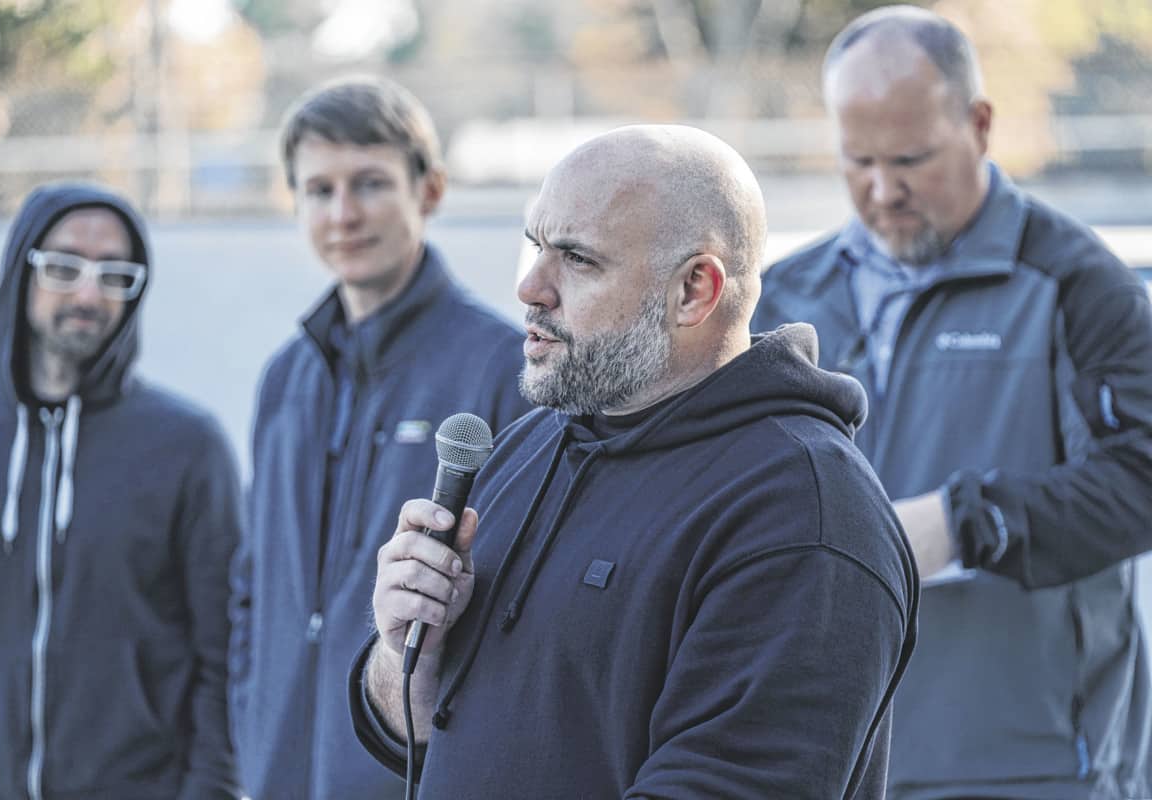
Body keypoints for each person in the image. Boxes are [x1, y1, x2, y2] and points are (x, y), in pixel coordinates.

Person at [349, 124, 919, 798]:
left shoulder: (804, 515)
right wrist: (409, 651)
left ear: (694, 290)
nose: (531, 287)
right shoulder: (530, 448)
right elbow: (420, 740)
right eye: (535, 246)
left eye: (578, 259)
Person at [751, 7, 1152, 799]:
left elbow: (1143, 478)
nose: (882, 190)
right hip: (835, 755)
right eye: (858, 160)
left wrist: (966, 522)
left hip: (1033, 764)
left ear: (980, 124)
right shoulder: (786, 296)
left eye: (910, 159)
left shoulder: (1076, 283)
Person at [228, 75, 529, 799]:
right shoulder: (284, 378)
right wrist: (250, 730)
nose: (344, 213)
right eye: (319, 190)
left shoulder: (503, 370)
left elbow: (518, 615)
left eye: (369, 183)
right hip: (277, 776)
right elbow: (253, 588)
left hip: (411, 778)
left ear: (430, 190)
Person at [0, 183, 242, 799]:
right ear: (22, 269)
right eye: (64, 267)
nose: (89, 293)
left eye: (114, 274)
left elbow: (227, 659)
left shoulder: (188, 447)